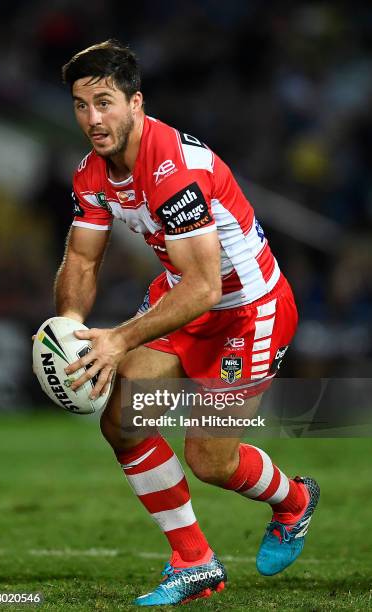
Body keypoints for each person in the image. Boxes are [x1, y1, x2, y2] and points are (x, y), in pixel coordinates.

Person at [57, 40, 319, 606]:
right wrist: (69, 326)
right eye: (81, 105)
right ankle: (195, 562)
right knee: (122, 420)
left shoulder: (172, 168)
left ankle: (294, 501)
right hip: (187, 299)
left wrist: (119, 338)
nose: (93, 119)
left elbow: (206, 287)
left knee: (209, 460)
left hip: (249, 312)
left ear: (136, 103)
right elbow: (81, 259)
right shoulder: (91, 174)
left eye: (104, 102)